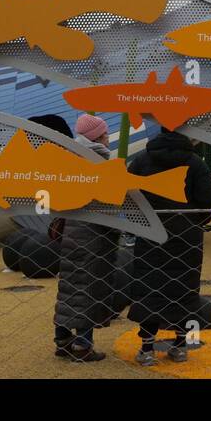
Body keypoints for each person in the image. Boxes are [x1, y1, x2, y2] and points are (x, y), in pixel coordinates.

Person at [127, 128, 211, 366]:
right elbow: (208, 200)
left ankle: (146, 348)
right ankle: (179, 346)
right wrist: (193, 223)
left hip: (151, 234)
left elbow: (127, 195)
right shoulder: (194, 162)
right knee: (184, 290)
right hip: (186, 237)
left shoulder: (142, 160)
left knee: (149, 290)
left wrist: (142, 222)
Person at [52, 114, 122, 363]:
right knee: (90, 288)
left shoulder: (69, 157)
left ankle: (62, 339)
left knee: (69, 286)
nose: (108, 137)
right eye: (105, 134)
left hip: (71, 229)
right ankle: (83, 344)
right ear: (97, 137)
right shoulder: (99, 158)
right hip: (94, 231)